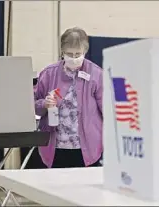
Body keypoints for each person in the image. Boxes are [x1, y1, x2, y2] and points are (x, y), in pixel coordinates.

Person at [34, 27, 103, 168]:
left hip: (88, 148)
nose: (73, 58)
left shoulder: (96, 74)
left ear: (85, 52)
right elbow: (32, 106)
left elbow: (108, 109)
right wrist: (44, 104)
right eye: (69, 54)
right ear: (62, 52)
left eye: (78, 54)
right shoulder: (48, 74)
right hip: (56, 147)